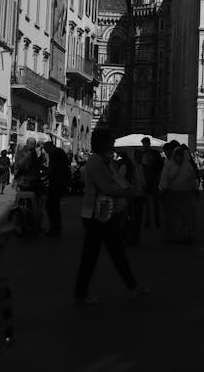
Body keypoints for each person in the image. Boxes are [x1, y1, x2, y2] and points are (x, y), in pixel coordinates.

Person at [74, 128, 149, 305]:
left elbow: (116, 179)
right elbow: (106, 187)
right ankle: (81, 292)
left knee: (114, 253)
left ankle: (132, 287)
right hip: (95, 213)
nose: (113, 144)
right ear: (103, 143)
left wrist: (128, 188)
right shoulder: (94, 162)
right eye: (110, 141)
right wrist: (126, 192)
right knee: (93, 255)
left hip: (105, 212)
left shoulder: (105, 160)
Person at [159, 146, 198, 243]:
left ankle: (186, 235)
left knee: (186, 216)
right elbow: (164, 178)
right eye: (177, 155)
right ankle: (172, 236)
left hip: (185, 194)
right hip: (172, 194)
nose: (179, 157)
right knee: (172, 217)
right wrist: (164, 189)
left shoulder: (187, 165)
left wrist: (194, 189)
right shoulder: (169, 165)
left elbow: (192, 178)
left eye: (180, 155)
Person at [43, 142, 70, 237]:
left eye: (45, 149)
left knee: (51, 206)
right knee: (54, 206)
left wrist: (45, 175)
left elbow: (52, 167)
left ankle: (54, 229)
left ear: (50, 147)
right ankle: (56, 228)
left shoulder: (55, 153)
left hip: (56, 182)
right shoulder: (60, 152)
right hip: (60, 182)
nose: (45, 151)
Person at [141, 137, 164, 228]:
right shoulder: (144, 154)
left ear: (148, 144)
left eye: (145, 144)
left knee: (154, 203)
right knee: (148, 203)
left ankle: (156, 221)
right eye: (143, 144)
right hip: (147, 180)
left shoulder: (154, 153)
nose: (144, 145)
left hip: (153, 180)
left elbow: (159, 166)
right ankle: (148, 221)